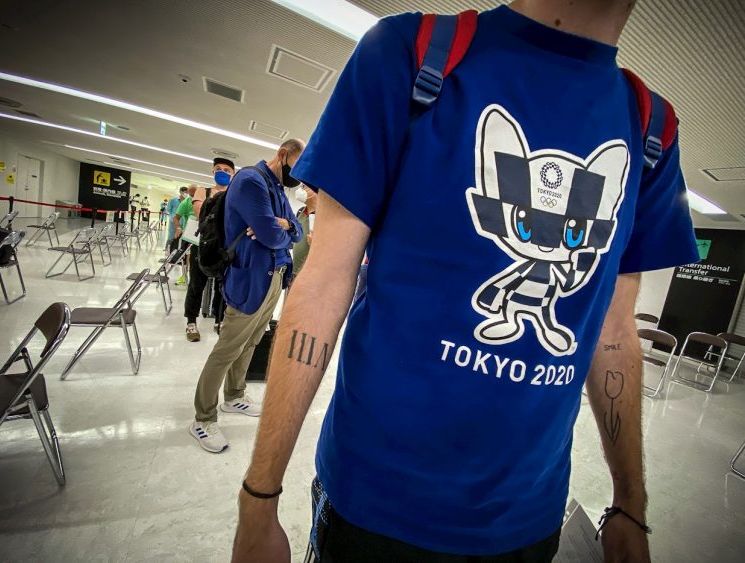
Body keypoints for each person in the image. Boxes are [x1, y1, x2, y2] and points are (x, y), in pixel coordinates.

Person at [232, 2, 699, 563]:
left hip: (527, 521)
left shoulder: (651, 129)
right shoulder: (411, 53)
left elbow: (615, 331)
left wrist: (630, 504)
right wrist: (259, 499)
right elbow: (324, 284)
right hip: (373, 509)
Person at [189, 139, 304, 453]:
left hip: (273, 276)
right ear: (283, 154)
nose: (300, 174)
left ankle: (235, 395)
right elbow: (270, 234)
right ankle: (203, 417)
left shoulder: (279, 189)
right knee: (228, 347)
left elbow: (298, 230)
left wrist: (284, 227)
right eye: (298, 163)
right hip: (250, 277)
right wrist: (280, 230)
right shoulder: (251, 180)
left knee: (252, 340)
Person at [175, 158, 235, 341]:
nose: (222, 172)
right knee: (196, 284)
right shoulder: (203, 190)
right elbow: (201, 212)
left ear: (233, 175)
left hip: (224, 247)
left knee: (222, 286)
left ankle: (219, 320)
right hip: (202, 244)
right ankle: (191, 322)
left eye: (227, 170)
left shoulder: (235, 194)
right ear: (212, 171)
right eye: (218, 169)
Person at [290, 185, 316, 277]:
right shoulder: (300, 212)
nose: (300, 190)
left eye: (304, 187)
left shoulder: (324, 217)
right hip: (295, 272)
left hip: (312, 274)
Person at [166, 187, 187, 251]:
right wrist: (173, 216)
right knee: (171, 236)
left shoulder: (187, 201)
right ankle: (168, 250)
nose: (186, 194)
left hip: (183, 222)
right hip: (173, 222)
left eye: (187, 192)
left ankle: (175, 251)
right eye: (185, 192)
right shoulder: (173, 200)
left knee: (179, 237)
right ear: (180, 192)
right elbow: (168, 209)